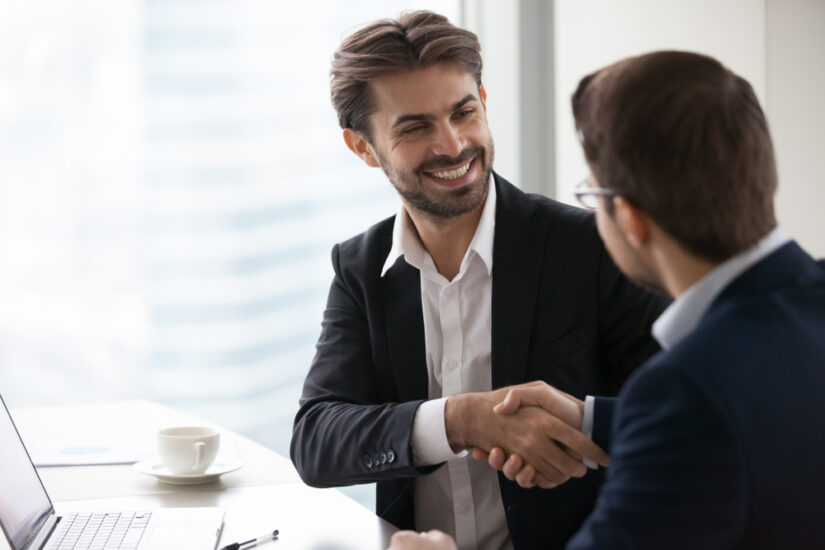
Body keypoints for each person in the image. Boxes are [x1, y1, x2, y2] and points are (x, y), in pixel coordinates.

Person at [388, 50, 825, 550]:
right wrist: (590, 418)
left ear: (632, 220)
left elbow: (700, 418)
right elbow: (760, 414)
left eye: (591, 194)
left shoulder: (687, 387)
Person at [290, 11, 665, 550]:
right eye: (415, 127)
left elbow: (680, 422)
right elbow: (317, 441)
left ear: (484, 103)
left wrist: (581, 431)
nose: (452, 145)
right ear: (363, 147)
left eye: (463, 112)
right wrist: (461, 420)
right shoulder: (359, 268)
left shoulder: (593, 246)